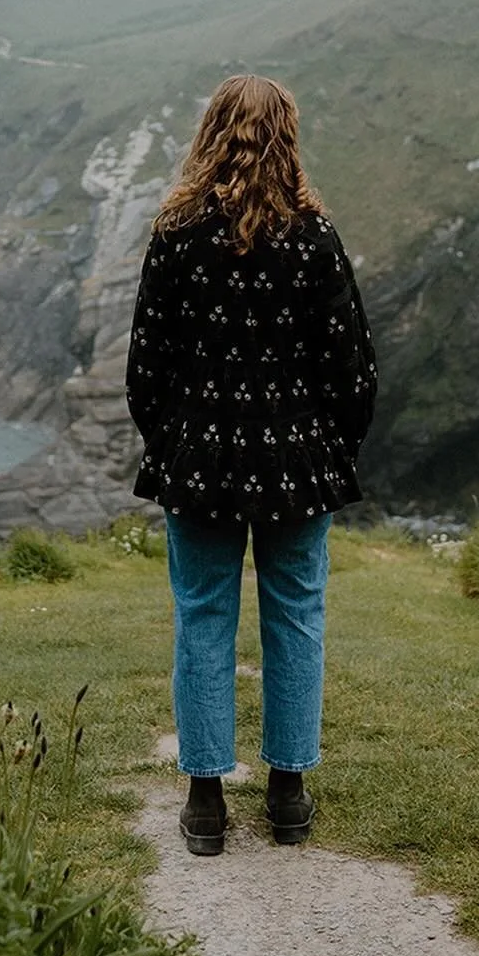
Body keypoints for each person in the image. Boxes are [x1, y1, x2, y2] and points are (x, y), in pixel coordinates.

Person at [125, 73, 377, 855]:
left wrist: (168, 444)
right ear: (287, 139)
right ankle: (289, 796)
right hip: (297, 462)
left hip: (199, 461)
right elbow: (354, 369)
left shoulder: (175, 233)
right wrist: (334, 445)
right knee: (296, 616)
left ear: (209, 135)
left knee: (202, 616)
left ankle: (205, 807)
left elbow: (146, 366)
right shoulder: (315, 236)